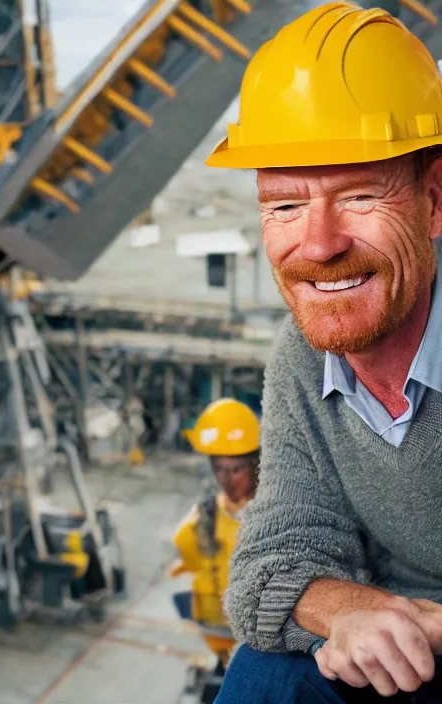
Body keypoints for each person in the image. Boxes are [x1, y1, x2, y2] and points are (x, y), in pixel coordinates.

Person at [203, 3, 442, 702]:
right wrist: (346, 610)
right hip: (407, 655)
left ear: (434, 201)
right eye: (283, 205)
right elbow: (265, 569)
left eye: (360, 196)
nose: (317, 244)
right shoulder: (304, 363)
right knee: (265, 676)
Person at [171, 398, 259, 667]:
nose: (226, 478)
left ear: (256, 464)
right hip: (215, 634)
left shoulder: (276, 519)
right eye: (219, 469)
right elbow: (185, 552)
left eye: (235, 469)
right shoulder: (199, 524)